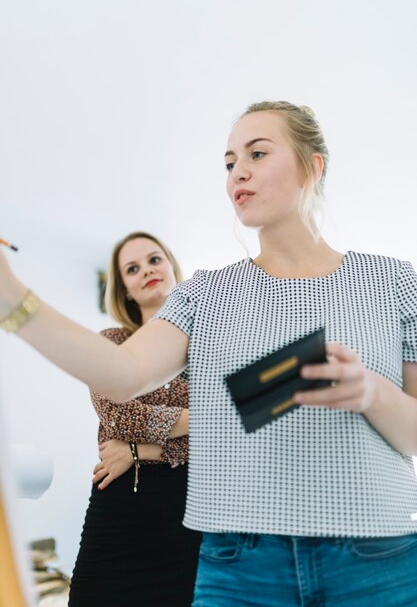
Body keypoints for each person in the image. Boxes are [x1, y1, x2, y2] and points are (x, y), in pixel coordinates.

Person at [1, 100, 417, 606]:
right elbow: (121, 373)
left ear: (313, 165)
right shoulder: (205, 294)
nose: (237, 172)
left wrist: (372, 392)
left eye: (257, 153)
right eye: (228, 163)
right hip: (238, 567)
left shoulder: (395, 282)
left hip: (379, 558)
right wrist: (13, 300)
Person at [70, 232, 201, 607]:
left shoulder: (210, 346)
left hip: (191, 513)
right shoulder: (110, 341)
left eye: (154, 260)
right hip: (121, 514)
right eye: (133, 268)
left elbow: (234, 428)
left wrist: (139, 450)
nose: (146, 271)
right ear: (125, 288)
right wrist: (206, 415)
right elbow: (120, 413)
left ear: (172, 268)